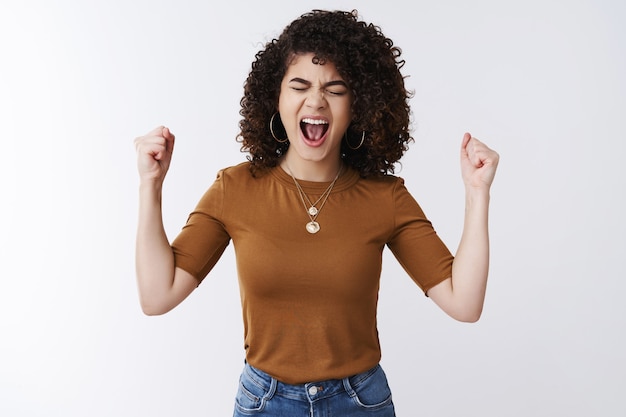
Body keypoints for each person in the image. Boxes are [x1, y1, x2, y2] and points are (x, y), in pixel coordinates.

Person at [133, 9, 499, 417]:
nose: (316, 100)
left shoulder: (385, 197)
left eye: (336, 88)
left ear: (358, 103)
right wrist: (151, 185)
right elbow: (157, 294)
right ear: (277, 97)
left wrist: (476, 193)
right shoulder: (234, 189)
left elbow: (464, 303)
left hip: (361, 402)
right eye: (299, 85)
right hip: (264, 403)